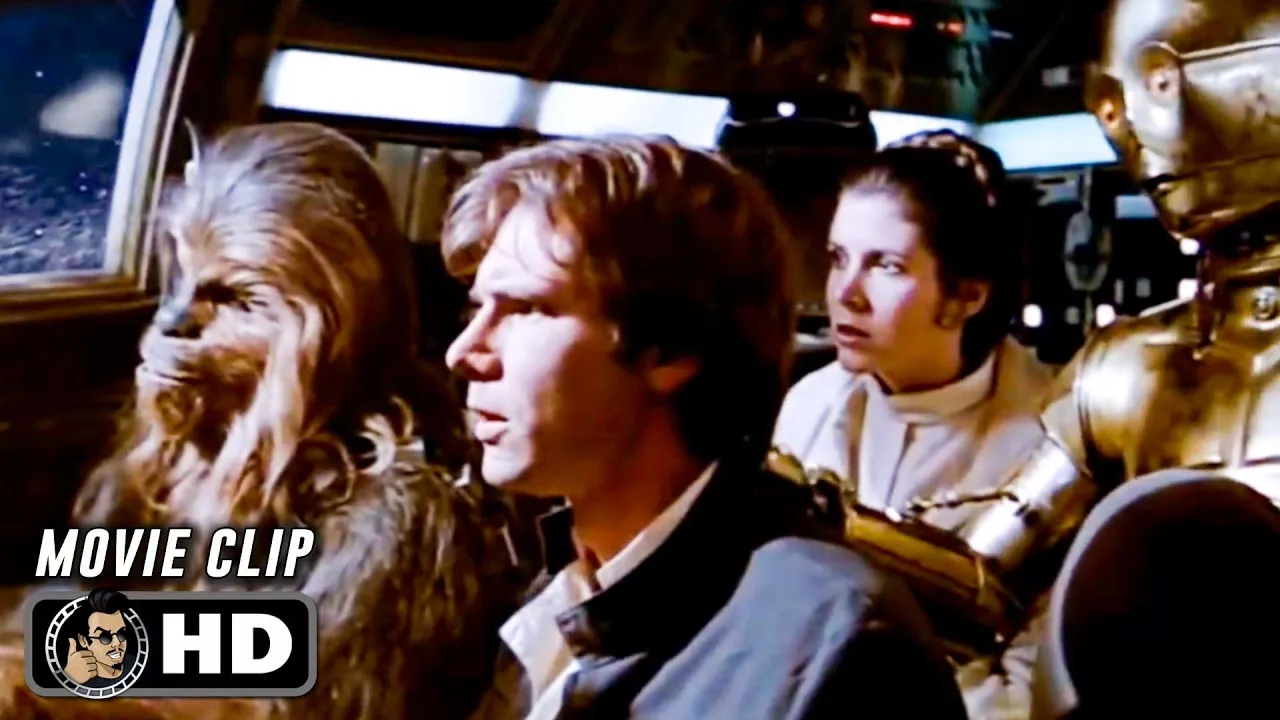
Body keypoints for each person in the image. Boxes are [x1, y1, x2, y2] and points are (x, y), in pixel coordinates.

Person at [1, 122, 532, 720]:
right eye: (179, 280)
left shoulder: (394, 516)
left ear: (329, 336)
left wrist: (31, 686)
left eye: (233, 298)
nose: (173, 323)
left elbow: (277, 700)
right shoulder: (171, 455)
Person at [442, 134, 967, 719]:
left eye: (526, 309)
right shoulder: (553, 584)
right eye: (477, 309)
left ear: (669, 346)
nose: (463, 353)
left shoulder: (840, 646)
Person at [772, 129, 1055, 719]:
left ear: (967, 295)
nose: (846, 293)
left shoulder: (1054, 441)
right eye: (838, 258)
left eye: (887, 266)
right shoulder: (809, 406)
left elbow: (1035, 685)